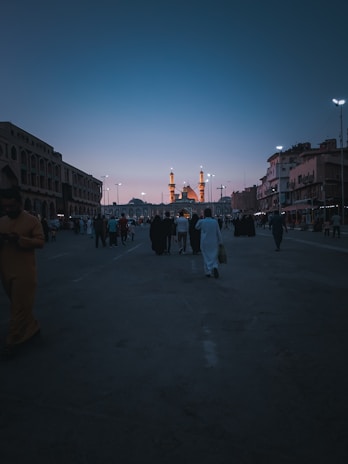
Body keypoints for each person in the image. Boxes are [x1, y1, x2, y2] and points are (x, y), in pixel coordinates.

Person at [0, 187, 45, 357]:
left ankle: (13, 341)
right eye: (5, 207)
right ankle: (32, 328)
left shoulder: (32, 221)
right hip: (6, 271)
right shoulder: (2, 221)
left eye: (11, 206)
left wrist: (19, 240)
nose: (8, 210)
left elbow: (40, 242)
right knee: (19, 305)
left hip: (25, 272)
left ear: (19, 203)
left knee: (18, 308)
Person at [195, 208, 222, 278]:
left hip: (205, 241)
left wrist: (200, 219)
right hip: (214, 241)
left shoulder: (202, 221)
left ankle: (208, 271)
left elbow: (196, 227)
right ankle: (215, 266)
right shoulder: (215, 221)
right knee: (214, 255)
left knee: (206, 256)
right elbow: (218, 232)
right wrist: (221, 242)